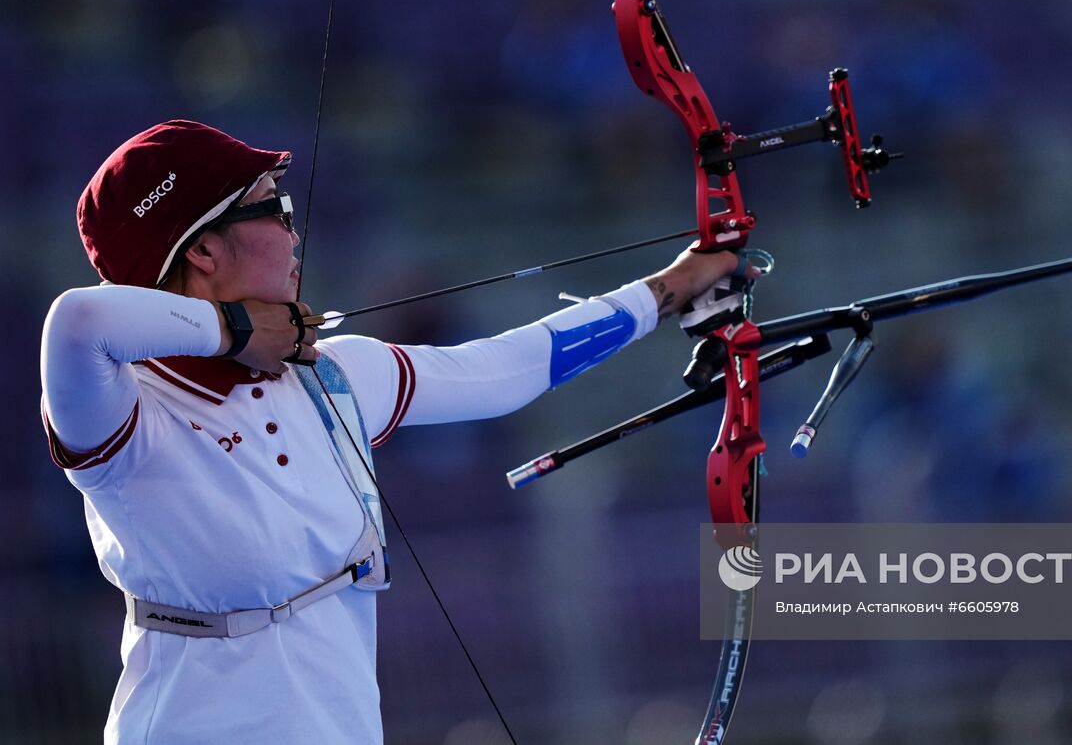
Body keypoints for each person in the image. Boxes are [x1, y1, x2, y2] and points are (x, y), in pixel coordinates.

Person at [39, 120, 740, 743]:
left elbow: (506, 368)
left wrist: (674, 285)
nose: (295, 228)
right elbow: (77, 320)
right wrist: (239, 330)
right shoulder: (126, 413)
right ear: (204, 252)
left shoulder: (334, 375)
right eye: (273, 206)